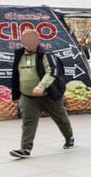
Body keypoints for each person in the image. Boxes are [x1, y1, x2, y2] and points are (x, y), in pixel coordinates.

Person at [9, 29, 74, 158]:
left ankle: (69, 137)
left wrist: (41, 86)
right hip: (28, 97)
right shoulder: (19, 55)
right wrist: (16, 96)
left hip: (48, 96)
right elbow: (16, 76)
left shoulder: (46, 54)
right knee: (28, 121)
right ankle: (25, 149)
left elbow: (53, 72)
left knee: (61, 118)